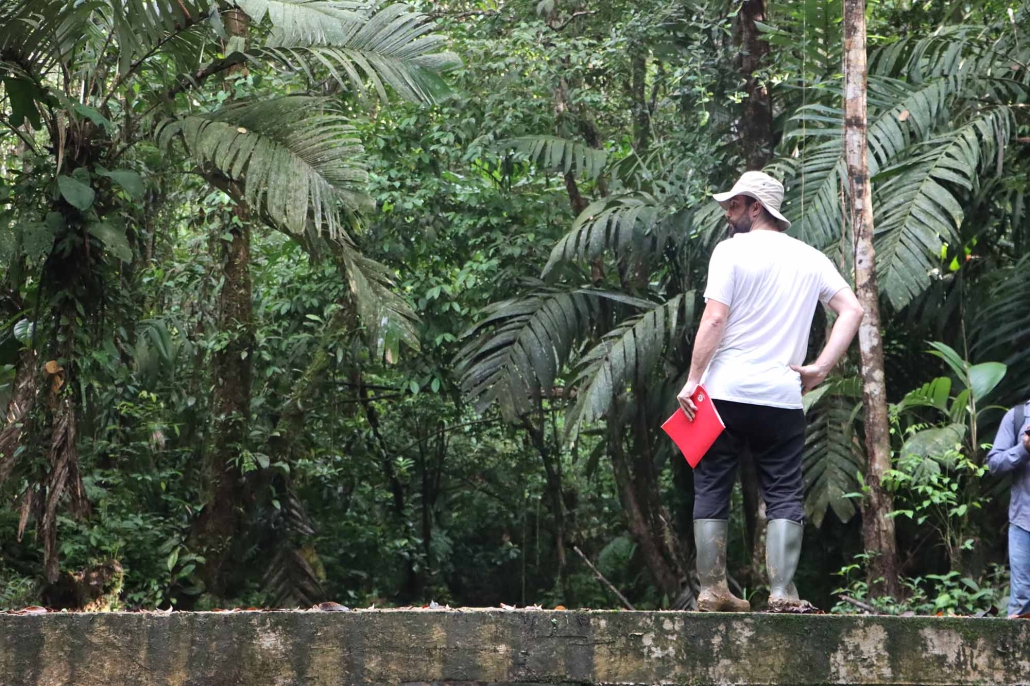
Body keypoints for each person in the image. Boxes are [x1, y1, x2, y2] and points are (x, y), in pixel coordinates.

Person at [676, 171, 865, 612]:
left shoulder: (730, 250)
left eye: (734, 204)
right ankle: (781, 592)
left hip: (723, 392)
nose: (728, 213)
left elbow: (715, 318)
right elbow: (852, 310)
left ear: (756, 207)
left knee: (712, 483)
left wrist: (693, 380)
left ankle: (713, 590)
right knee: (783, 490)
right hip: (781, 397)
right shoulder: (812, 258)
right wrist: (819, 368)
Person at [986, 400, 1030, 617]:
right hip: (1024, 521)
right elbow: (994, 464)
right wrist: (1024, 449)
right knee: (1022, 597)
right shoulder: (1017, 416)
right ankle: (1016, 640)